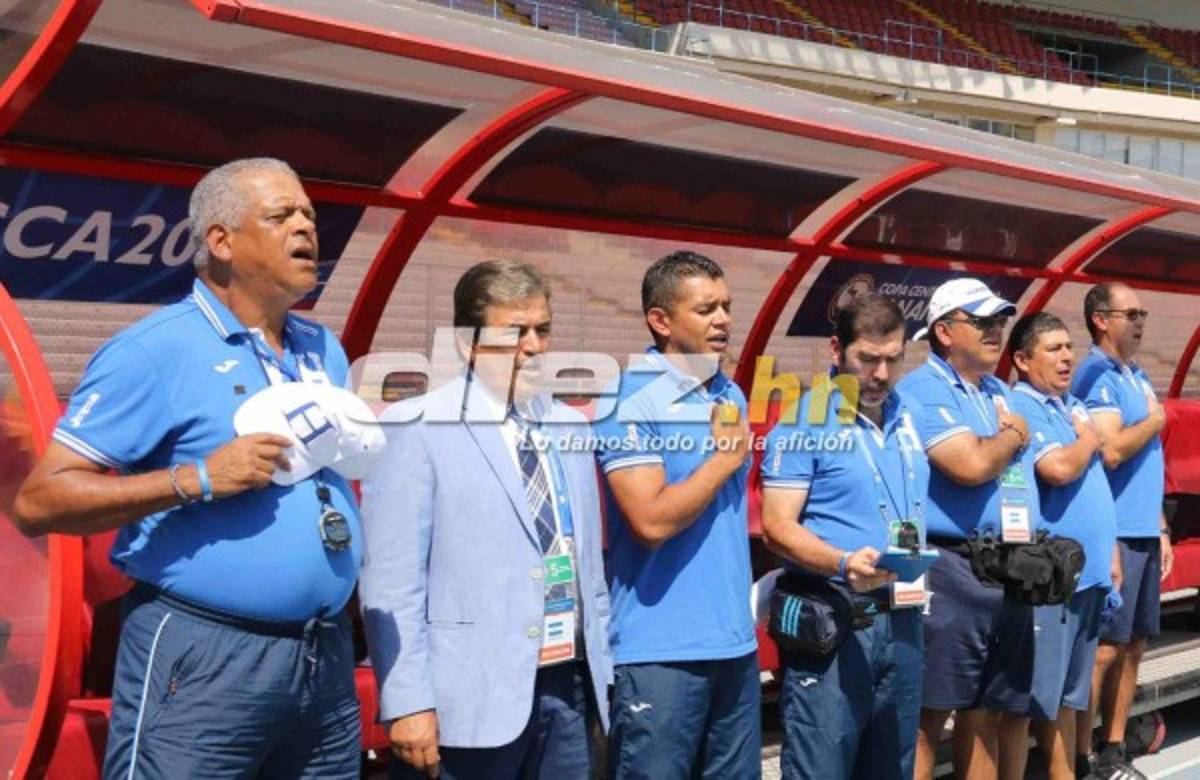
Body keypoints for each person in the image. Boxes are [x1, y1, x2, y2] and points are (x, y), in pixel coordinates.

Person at [13, 158, 364, 777]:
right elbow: (41, 501)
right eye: (281, 215)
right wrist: (197, 479)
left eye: (309, 214)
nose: (306, 227)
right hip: (202, 655)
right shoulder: (154, 350)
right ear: (221, 241)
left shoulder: (322, 348)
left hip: (323, 654)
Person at [359, 260, 613, 780]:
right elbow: (391, 581)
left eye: (542, 329)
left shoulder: (569, 427)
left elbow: (588, 563)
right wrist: (407, 701)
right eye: (513, 332)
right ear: (466, 343)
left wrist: (603, 669)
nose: (534, 346)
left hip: (567, 688)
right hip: (467, 701)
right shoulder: (417, 428)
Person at [596, 251, 759, 780]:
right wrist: (722, 461)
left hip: (734, 642)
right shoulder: (628, 399)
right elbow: (650, 522)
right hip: (660, 649)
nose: (723, 321)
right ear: (661, 321)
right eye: (706, 308)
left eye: (727, 307)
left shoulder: (727, 392)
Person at [760, 293, 929, 779]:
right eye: (867, 359)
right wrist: (842, 562)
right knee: (823, 767)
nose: (880, 374)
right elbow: (777, 526)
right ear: (837, 350)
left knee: (890, 765)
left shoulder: (908, 415)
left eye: (892, 360)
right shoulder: (803, 421)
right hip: (835, 621)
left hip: (903, 616)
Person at [896, 277, 1040, 780]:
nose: (995, 330)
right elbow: (970, 464)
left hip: (1007, 567)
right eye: (980, 321)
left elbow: (1002, 458)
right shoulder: (922, 388)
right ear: (943, 331)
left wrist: (1005, 438)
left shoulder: (997, 390)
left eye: (999, 321)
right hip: (953, 567)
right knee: (928, 715)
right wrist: (1012, 435)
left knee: (987, 710)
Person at [1000, 313, 1119, 780]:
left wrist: (1109, 554)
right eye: (1053, 349)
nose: (1067, 356)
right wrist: (1089, 436)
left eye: (1069, 347)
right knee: (1042, 697)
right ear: (1024, 360)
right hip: (1053, 579)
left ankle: (1073, 770)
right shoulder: (1024, 405)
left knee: (1072, 693)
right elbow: (1059, 469)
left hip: (1089, 573)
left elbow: (1097, 473)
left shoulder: (1069, 404)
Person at [1072, 283, 1172, 780]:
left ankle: (1115, 748)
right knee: (1105, 648)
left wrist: (1161, 528)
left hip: (1143, 531)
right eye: (1129, 313)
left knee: (1134, 644)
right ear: (1100, 320)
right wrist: (1154, 422)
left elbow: (1149, 464)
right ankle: (1082, 753)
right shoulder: (1097, 375)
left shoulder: (1135, 375)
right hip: (1113, 533)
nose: (1140, 321)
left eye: (1143, 313)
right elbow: (1110, 450)